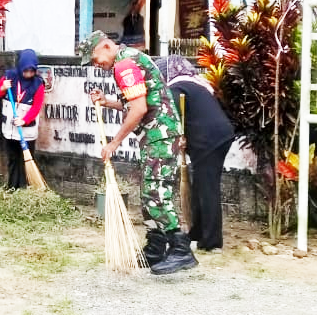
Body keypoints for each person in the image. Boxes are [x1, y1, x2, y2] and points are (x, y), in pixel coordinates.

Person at [80, 29, 197, 275]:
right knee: (148, 192)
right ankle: (155, 248)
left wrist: (114, 143)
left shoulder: (123, 65)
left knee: (156, 191)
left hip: (160, 136)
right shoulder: (127, 60)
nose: (95, 65)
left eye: (94, 58)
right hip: (155, 136)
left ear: (105, 46)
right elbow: (136, 101)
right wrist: (107, 101)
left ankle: (180, 249)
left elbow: (139, 109)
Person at [156, 55, 235, 252]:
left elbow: (170, 117)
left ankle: (211, 242)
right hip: (216, 138)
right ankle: (197, 234)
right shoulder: (193, 84)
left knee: (207, 189)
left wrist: (177, 137)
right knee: (201, 187)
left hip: (209, 141)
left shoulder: (177, 87)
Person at [0, 49, 46, 189]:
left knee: (25, 160)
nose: (29, 74)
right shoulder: (9, 76)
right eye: (26, 71)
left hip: (26, 132)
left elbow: (36, 107)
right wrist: (4, 87)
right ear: (20, 66)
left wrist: (25, 120)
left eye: (32, 71)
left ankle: (25, 187)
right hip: (9, 131)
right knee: (12, 159)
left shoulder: (38, 84)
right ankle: (12, 187)